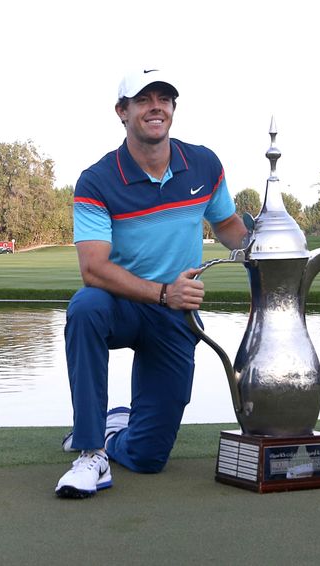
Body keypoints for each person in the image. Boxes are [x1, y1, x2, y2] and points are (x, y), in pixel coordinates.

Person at [55, 68, 249, 499]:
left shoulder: (203, 164)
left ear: (173, 110)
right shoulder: (97, 180)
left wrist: (269, 248)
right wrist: (163, 292)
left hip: (176, 316)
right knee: (85, 308)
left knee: (148, 459)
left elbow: (229, 226)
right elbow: (94, 269)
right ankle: (91, 453)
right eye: (143, 100)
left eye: (164, 98)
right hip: (121, 304)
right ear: (122, 112)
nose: (155, 106)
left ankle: (113, 431)